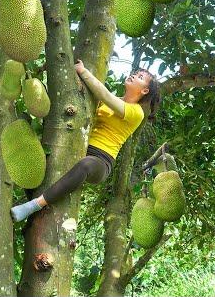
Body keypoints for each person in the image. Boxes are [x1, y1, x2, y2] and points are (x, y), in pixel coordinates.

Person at [10, 59, 162, 222]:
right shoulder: (108, 102)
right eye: (135, 73)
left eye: (139, 77)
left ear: (145, 90)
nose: (133, 76)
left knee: (86, 165)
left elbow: (105, 95)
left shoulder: (136, 112)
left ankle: (34, 205)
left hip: (101, 161)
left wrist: (83, 71)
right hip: (80, 146)